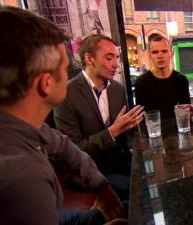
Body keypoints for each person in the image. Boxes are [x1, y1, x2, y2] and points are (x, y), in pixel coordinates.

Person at [0, 5, 126, 225]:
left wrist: (101, 186)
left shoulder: (20, 123)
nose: (69, 75)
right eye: (64, 68)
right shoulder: (20, 179)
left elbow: (63, 146)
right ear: (46, 83)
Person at [54, 34, 144, 202]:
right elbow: (73, 152)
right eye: (109, 58)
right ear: (89, 59)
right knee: (136, 189)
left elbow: (128, 134)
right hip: (88, 171)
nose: (115, 64)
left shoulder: (118, 90)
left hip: (121, 162)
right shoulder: (66, 94)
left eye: (116, 58)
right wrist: (112, 131)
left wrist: (133, 148)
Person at [135, 35, 191, 119]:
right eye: (155, 52)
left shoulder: (181, 80)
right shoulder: (142, 82)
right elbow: (141, 118)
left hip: (177, 129)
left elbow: (187, 113)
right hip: (153, 130)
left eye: (164, 51)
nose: (160, 56)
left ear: (171, 54)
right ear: (150, 55)